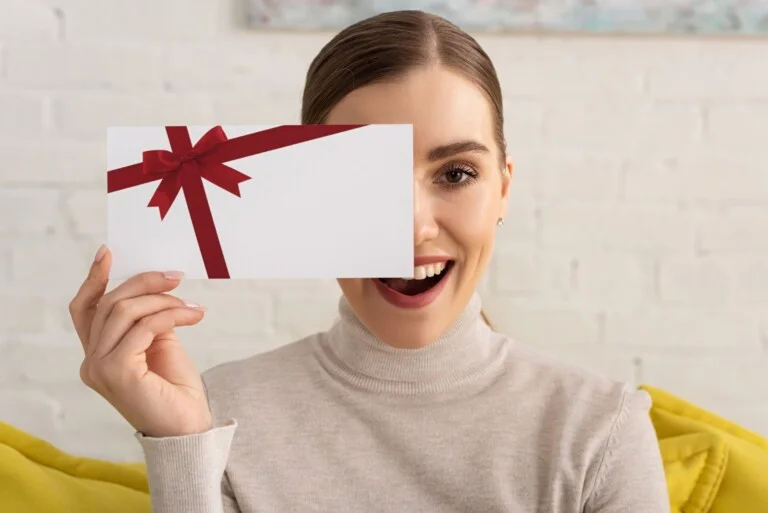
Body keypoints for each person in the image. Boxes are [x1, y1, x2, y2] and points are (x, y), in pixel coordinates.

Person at [68, 9, 670, 513]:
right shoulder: (215, 416)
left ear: (503, 191)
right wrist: (182, 451)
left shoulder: (599, 431)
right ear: (307, 192)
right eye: (363, 179)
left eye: (456, 174)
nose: (412, 225)